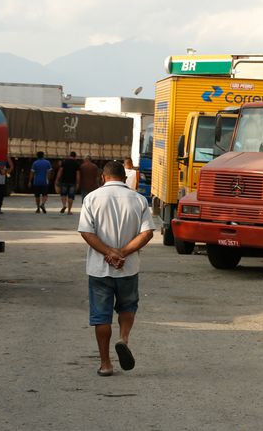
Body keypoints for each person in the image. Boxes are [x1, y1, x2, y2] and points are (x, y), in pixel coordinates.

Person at [78, 160, 155, 377]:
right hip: (128, 268)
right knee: (128, 306)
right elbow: (147, 233)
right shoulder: (139, 199)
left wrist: (109, 253)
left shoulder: (91, 198)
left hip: (99, 269)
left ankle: (105, 364)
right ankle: (124, 339)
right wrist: (123, 253)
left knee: (101, 317)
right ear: (125, 177)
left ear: (103, 177)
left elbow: (86, 232)